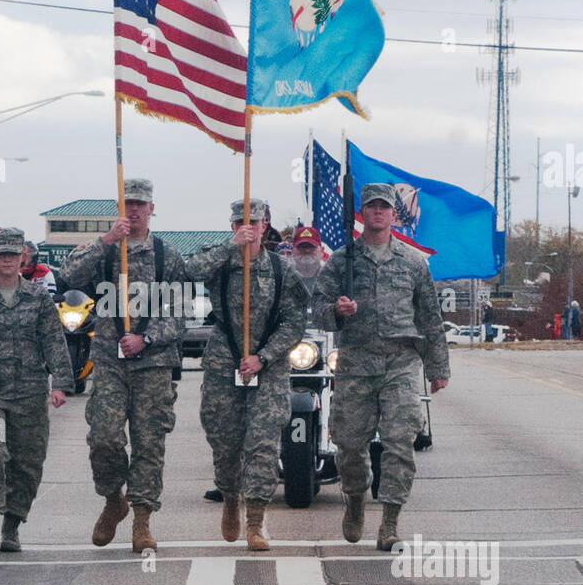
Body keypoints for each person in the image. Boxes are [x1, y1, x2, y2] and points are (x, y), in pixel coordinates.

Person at [312, 183, 450, 551]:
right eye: (371, 207)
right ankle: (355, 498)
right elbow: (319, 309)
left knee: (400, 442)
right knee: (349, 445)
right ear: (362, 213)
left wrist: (438, 368)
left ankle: (390, 521)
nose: (377, 213)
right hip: (356, 361)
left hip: (400, 361)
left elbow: (430, 319)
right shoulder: (342, 260)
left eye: (384, 208)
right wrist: (336, 311)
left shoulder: (413, 262)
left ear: (393, 214)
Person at [58, 178, 186, 553]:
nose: (133, 210)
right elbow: (68, 276)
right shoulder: (106, 253)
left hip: (154, 364)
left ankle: (142, 519)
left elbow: (180, 314)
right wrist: (106, 241)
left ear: (151, 209)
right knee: (104, 437)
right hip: (111, 363)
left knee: (149, 443)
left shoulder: (168, 257)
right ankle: (114, 499)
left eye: (140, 204)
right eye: (127, 203)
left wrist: (146, 338)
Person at [184, 198, 308, 550]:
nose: (248, 227)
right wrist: (231, 247)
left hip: (268, 365)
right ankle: (230, 497)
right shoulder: (220, 261)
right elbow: (187, 271)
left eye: (254, 222)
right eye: (240, 222)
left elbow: (294, 321)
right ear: (232, 225)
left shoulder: (282, 270)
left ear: (266, 225)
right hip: (225, 359)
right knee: (225, 441)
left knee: (263, 443)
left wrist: (264, 357)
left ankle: (256, 519)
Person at [0, 225, 73, 552]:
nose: (7, 260)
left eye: (13, 254)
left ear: (22, 256)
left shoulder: (37, 297)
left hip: (29, 391)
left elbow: (54, 341)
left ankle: (12, 525)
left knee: (26, 460)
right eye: (1, 255)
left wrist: (61, 383)